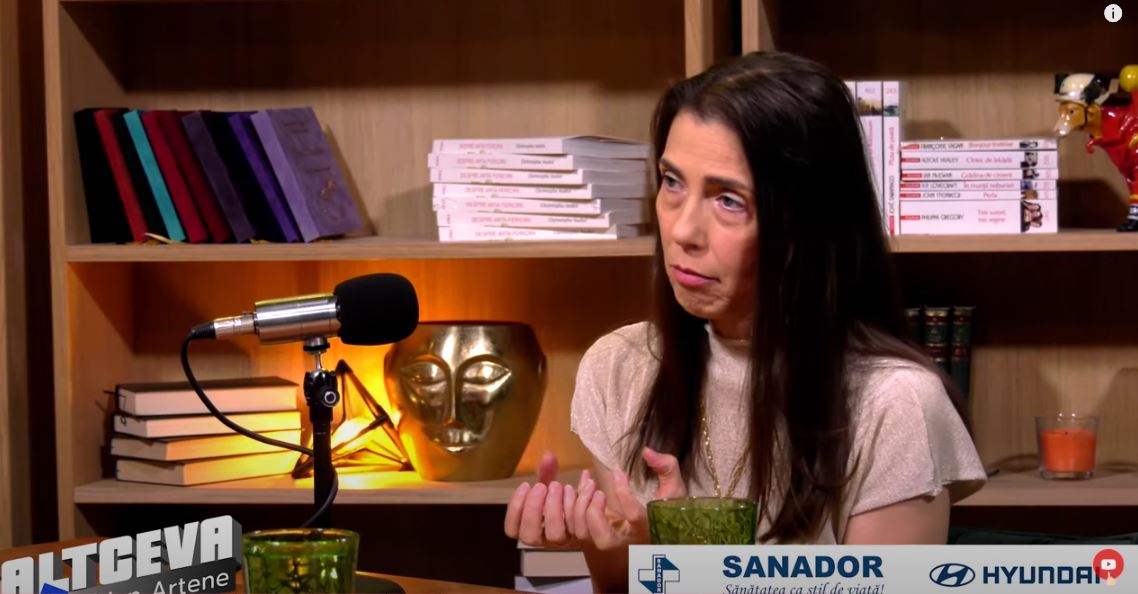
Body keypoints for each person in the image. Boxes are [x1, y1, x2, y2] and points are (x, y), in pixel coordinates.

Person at [503, 51, 987, 593]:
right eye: (672, 182)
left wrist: (694, 568)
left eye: (729, 200)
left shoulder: (896, 405)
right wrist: (599, 552)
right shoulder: (619, 367)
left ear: (807, 227)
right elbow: (617, 587)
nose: (683, 231)